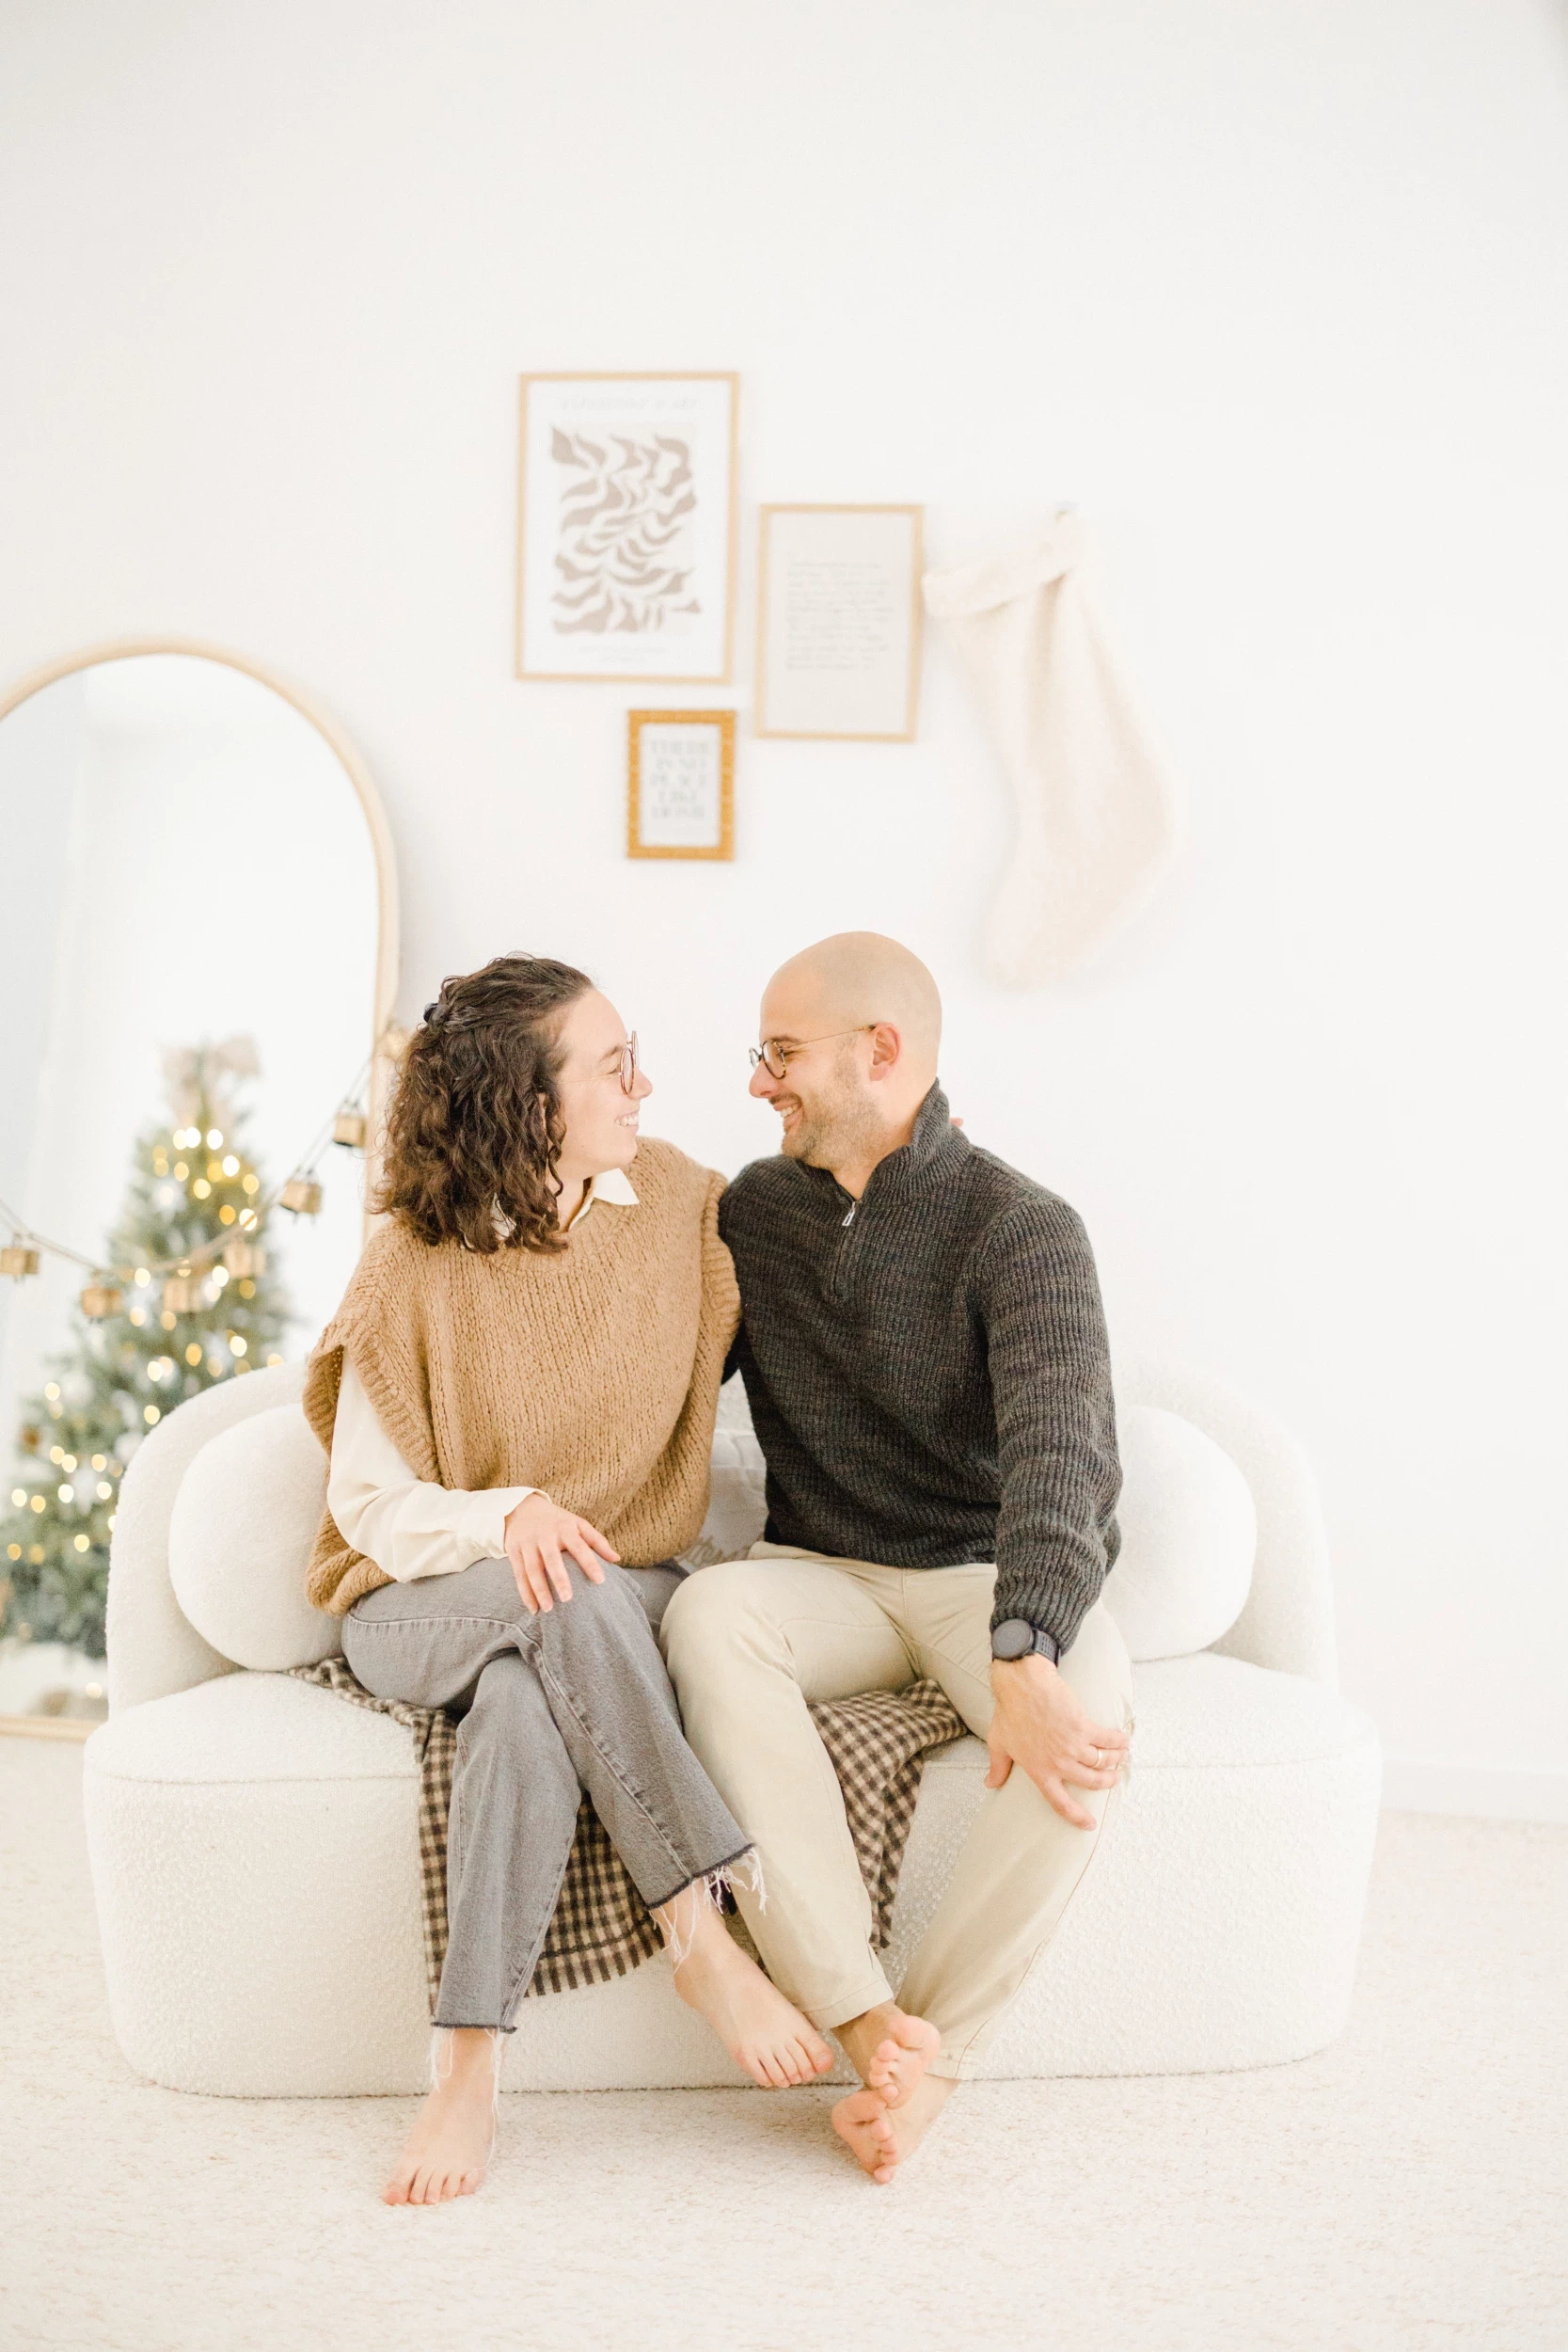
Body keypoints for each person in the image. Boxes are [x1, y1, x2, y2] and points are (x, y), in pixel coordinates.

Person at [302, 954, 832, 2208]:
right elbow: (370, 1512)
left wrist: (929, 1189)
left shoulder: (684, 1212)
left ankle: (466, 2069)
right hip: (417, 1600)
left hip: (611, 1592)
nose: (645, 1083)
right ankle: (700, 1932)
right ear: (528, 1106)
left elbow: (829, 1284)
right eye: (611, 1066)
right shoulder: (408, 1259)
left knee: (538, 1697)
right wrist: (509, 1518)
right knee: (559, 1588)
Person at [660, 931, 1134, 2185]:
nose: (759, 1082)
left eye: (781, 1054)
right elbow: (651, 1379)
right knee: (707, 1620)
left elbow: (1062, 1457)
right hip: (825, 1572)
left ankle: (928, 2061)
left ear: (882, 1053)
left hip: (981, 1575)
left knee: (1078, 1738)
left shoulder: (1022, 1229)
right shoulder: (752, 1215)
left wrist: (1028, 1647)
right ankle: (865, 2017)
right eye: (757, 1055)